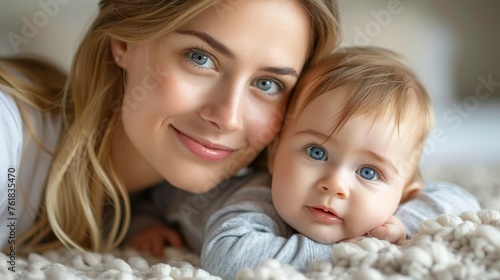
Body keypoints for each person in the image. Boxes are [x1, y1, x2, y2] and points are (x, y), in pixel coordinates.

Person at [0, 0, 341, 253]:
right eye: (201, 58)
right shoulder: (8, 135)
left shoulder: (169, 207)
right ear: (125, 41)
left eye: (267, 84)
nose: (228, 117)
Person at [197, 46, 467, 279]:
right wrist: (355, 248)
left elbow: (461, 203)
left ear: (404, 195)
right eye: (317, 152)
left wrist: (397, 223)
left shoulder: (399, 204)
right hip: (169, 198)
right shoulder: (256, 200)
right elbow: (225, 258)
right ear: (274, 154)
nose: (335, 184)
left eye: (368, 172)